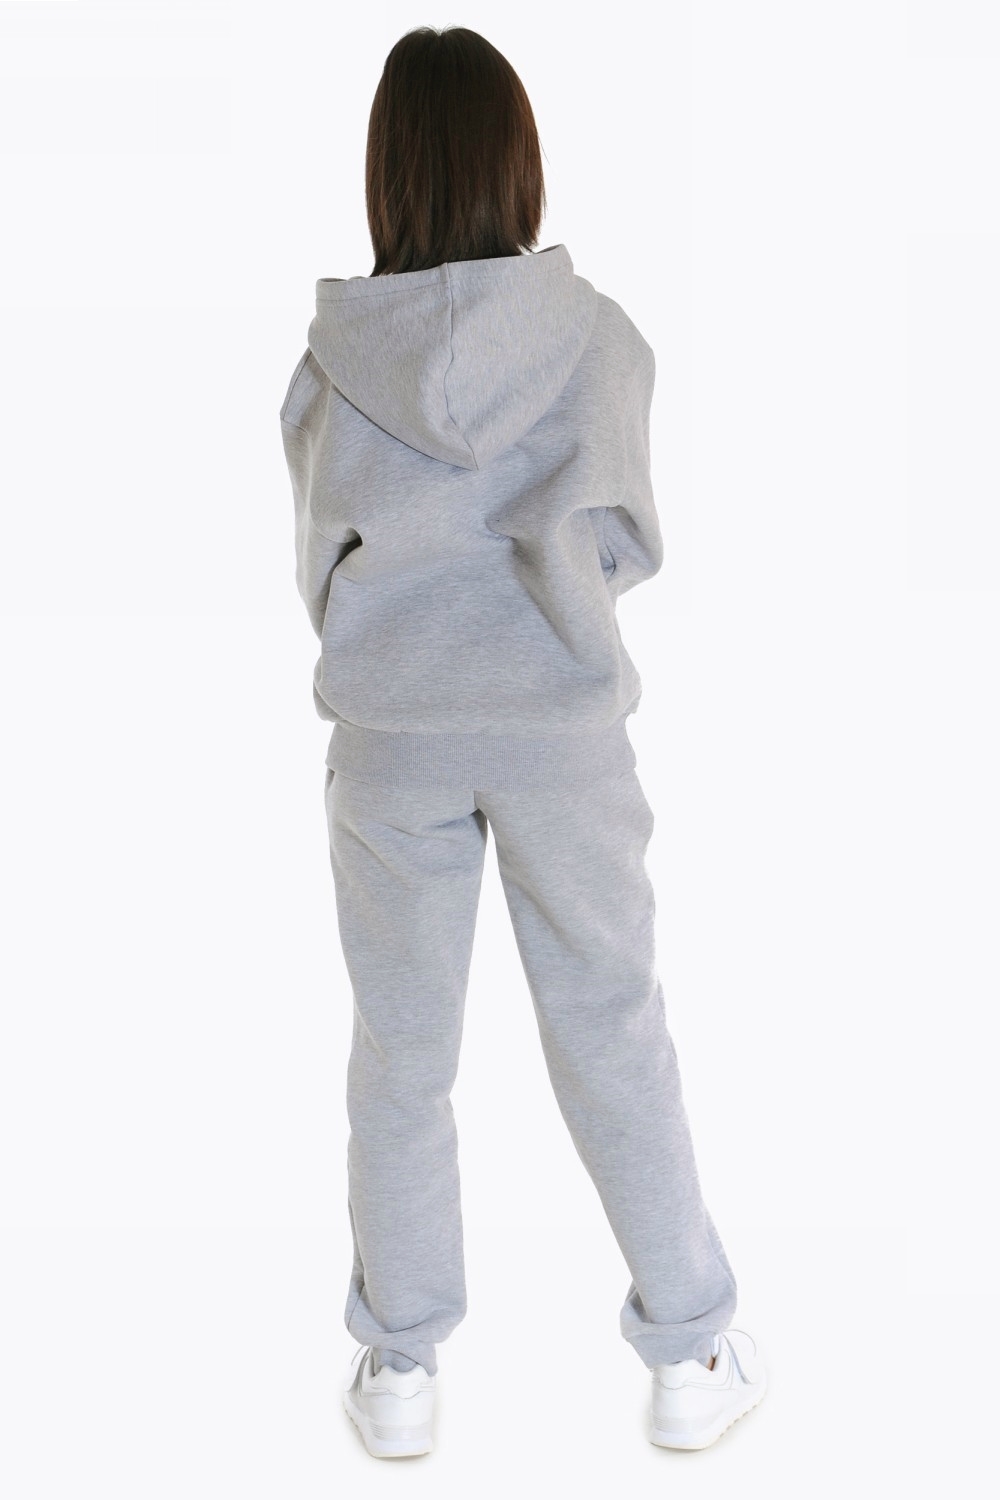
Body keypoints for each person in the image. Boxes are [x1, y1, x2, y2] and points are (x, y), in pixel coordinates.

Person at [278, 24, 766, 1460]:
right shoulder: (600, 339)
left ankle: (399, 1365)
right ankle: (692, 1351)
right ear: (519, 161)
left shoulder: (329, 363)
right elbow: (630, 540)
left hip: (392, 741)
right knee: (613, 1027)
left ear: (387, 173)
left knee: (402, 1051)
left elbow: (322, 565)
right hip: (562, 730)